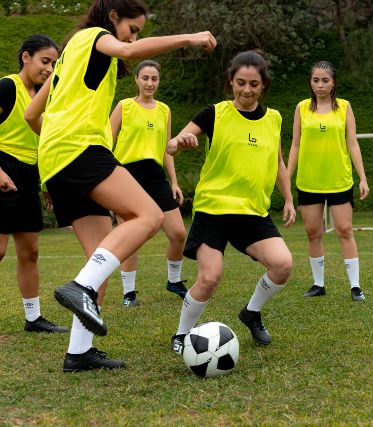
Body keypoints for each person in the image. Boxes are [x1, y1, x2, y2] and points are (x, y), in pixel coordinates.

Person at [24, 0, 216, 372]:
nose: (133, 36)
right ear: (114, 17)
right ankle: (79, 289)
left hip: (58, 157)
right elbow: (127, 49)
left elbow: (33, 115)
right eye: (134, 27)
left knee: (100, 258)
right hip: (80, 148)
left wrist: (53, 158)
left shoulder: (67, 57)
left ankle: (79, 352)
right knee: (147, 215)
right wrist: (189, 38)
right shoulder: (94, 36)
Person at [170, 50, 295, 354]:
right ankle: (181, 334)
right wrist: (180, 142)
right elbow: (173, 144)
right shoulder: (214, 113)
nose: (247, 90)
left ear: (263, 85)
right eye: (241, 83)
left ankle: (251, 312)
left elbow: (277, 162)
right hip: (213, 211)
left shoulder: (274, 118)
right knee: (210, 277)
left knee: (282, 264)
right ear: (231, 81)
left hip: (253, 212)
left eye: (254, 84)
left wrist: (289, 198)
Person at [0, 35, 67, 333]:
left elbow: (44, 142)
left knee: (30, 252)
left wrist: (47, 183)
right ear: (26, 57)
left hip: (29, 176)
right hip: (3, 168)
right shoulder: (6, 87)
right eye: (45, 61)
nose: (50, 69)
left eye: (54, 63)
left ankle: (33, 318)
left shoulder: (44, 95)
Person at [287, 61, 369, 301]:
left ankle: (355, 286)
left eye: (325, 80)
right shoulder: (302, 108)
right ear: (310, 83)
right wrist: (286, 178)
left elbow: (352, 143)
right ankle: (318, 284)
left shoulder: (344, 107)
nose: (320, 85)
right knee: (313, 232)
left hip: (339, 180)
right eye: (316, 80)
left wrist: (362, 177)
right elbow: (295, 144)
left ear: (333, 82)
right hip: (309, 181)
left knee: (344, 230)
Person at [110, 59, 187, 307]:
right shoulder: (124, 106)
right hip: (126, 176)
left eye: (154, 79)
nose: (150, 83)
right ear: (136, 79)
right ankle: (129, 293)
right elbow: (105, 143)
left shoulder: (164, 110)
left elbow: (166, 150)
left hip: (155, 177)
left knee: (178, 233)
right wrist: (107, 180)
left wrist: (174, 181)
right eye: (145, 78)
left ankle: (174, 281)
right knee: (132, 237)